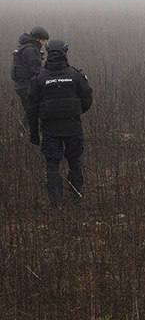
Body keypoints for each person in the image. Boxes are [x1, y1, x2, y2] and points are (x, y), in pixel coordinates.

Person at [28, 39, 93, 207]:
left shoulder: (39, 78)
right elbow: (87, 97)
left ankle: (56, 203)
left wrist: (34, 134)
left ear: (48, 53)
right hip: (72, 126)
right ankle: (76, 196)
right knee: (74, 160)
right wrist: (75, 112)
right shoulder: (75, 75)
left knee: (52, 164)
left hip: (50, 129)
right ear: (65, 52)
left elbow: (32, 109)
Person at [10, 26, 49, 126]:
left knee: (30, 111)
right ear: (38, 39)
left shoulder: (25, 47)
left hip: (22, 86)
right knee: (34, 111)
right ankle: (24, 134)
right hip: (27, 86)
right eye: (44, 40)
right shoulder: (31, 50)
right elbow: (36, 70)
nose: (44, 43)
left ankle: (23, 134)